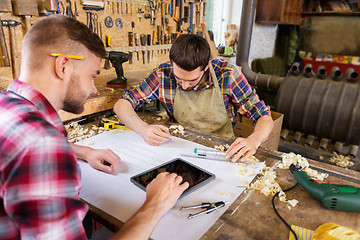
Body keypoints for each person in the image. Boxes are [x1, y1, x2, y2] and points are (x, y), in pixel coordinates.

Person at [0, 15, 188, 239]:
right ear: (63, 66)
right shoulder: (44, 145)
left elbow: (26, 147)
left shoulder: (7, 106)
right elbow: (40, 148)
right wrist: (155, 204)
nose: (94, 90)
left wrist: (83, 151)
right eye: (92, 76)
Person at [114, 34, 274, 162]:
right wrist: (143, 129)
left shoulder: (228, 74)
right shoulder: (163, 74)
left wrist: (254, 140)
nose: (184, 86)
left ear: (206, 67)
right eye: (179, 79)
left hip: (222, 151)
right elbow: (122, 104)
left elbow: (263, 116)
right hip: (180, 146)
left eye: (191, 80)